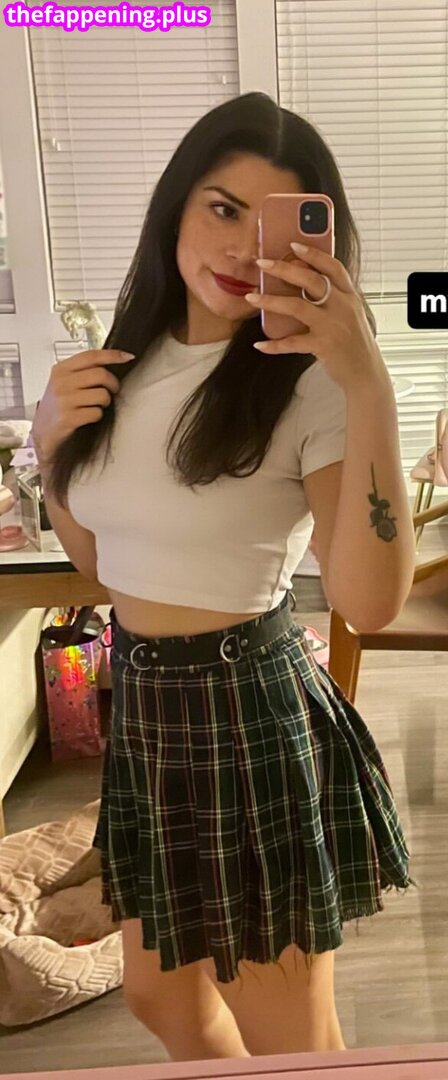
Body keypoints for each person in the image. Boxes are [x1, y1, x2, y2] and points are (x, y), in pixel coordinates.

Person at [32, 92, 416, 1061]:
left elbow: (370, 603)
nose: (245, 247)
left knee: (290, 1035)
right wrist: (51, 446)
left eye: (274, 221)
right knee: (162, 998)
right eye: (221, 207)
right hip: (147, 711)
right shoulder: (124, 364)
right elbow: (102, 566)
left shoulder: (309, 381)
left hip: (244, 712)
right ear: (175, 207)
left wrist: (367, 382)